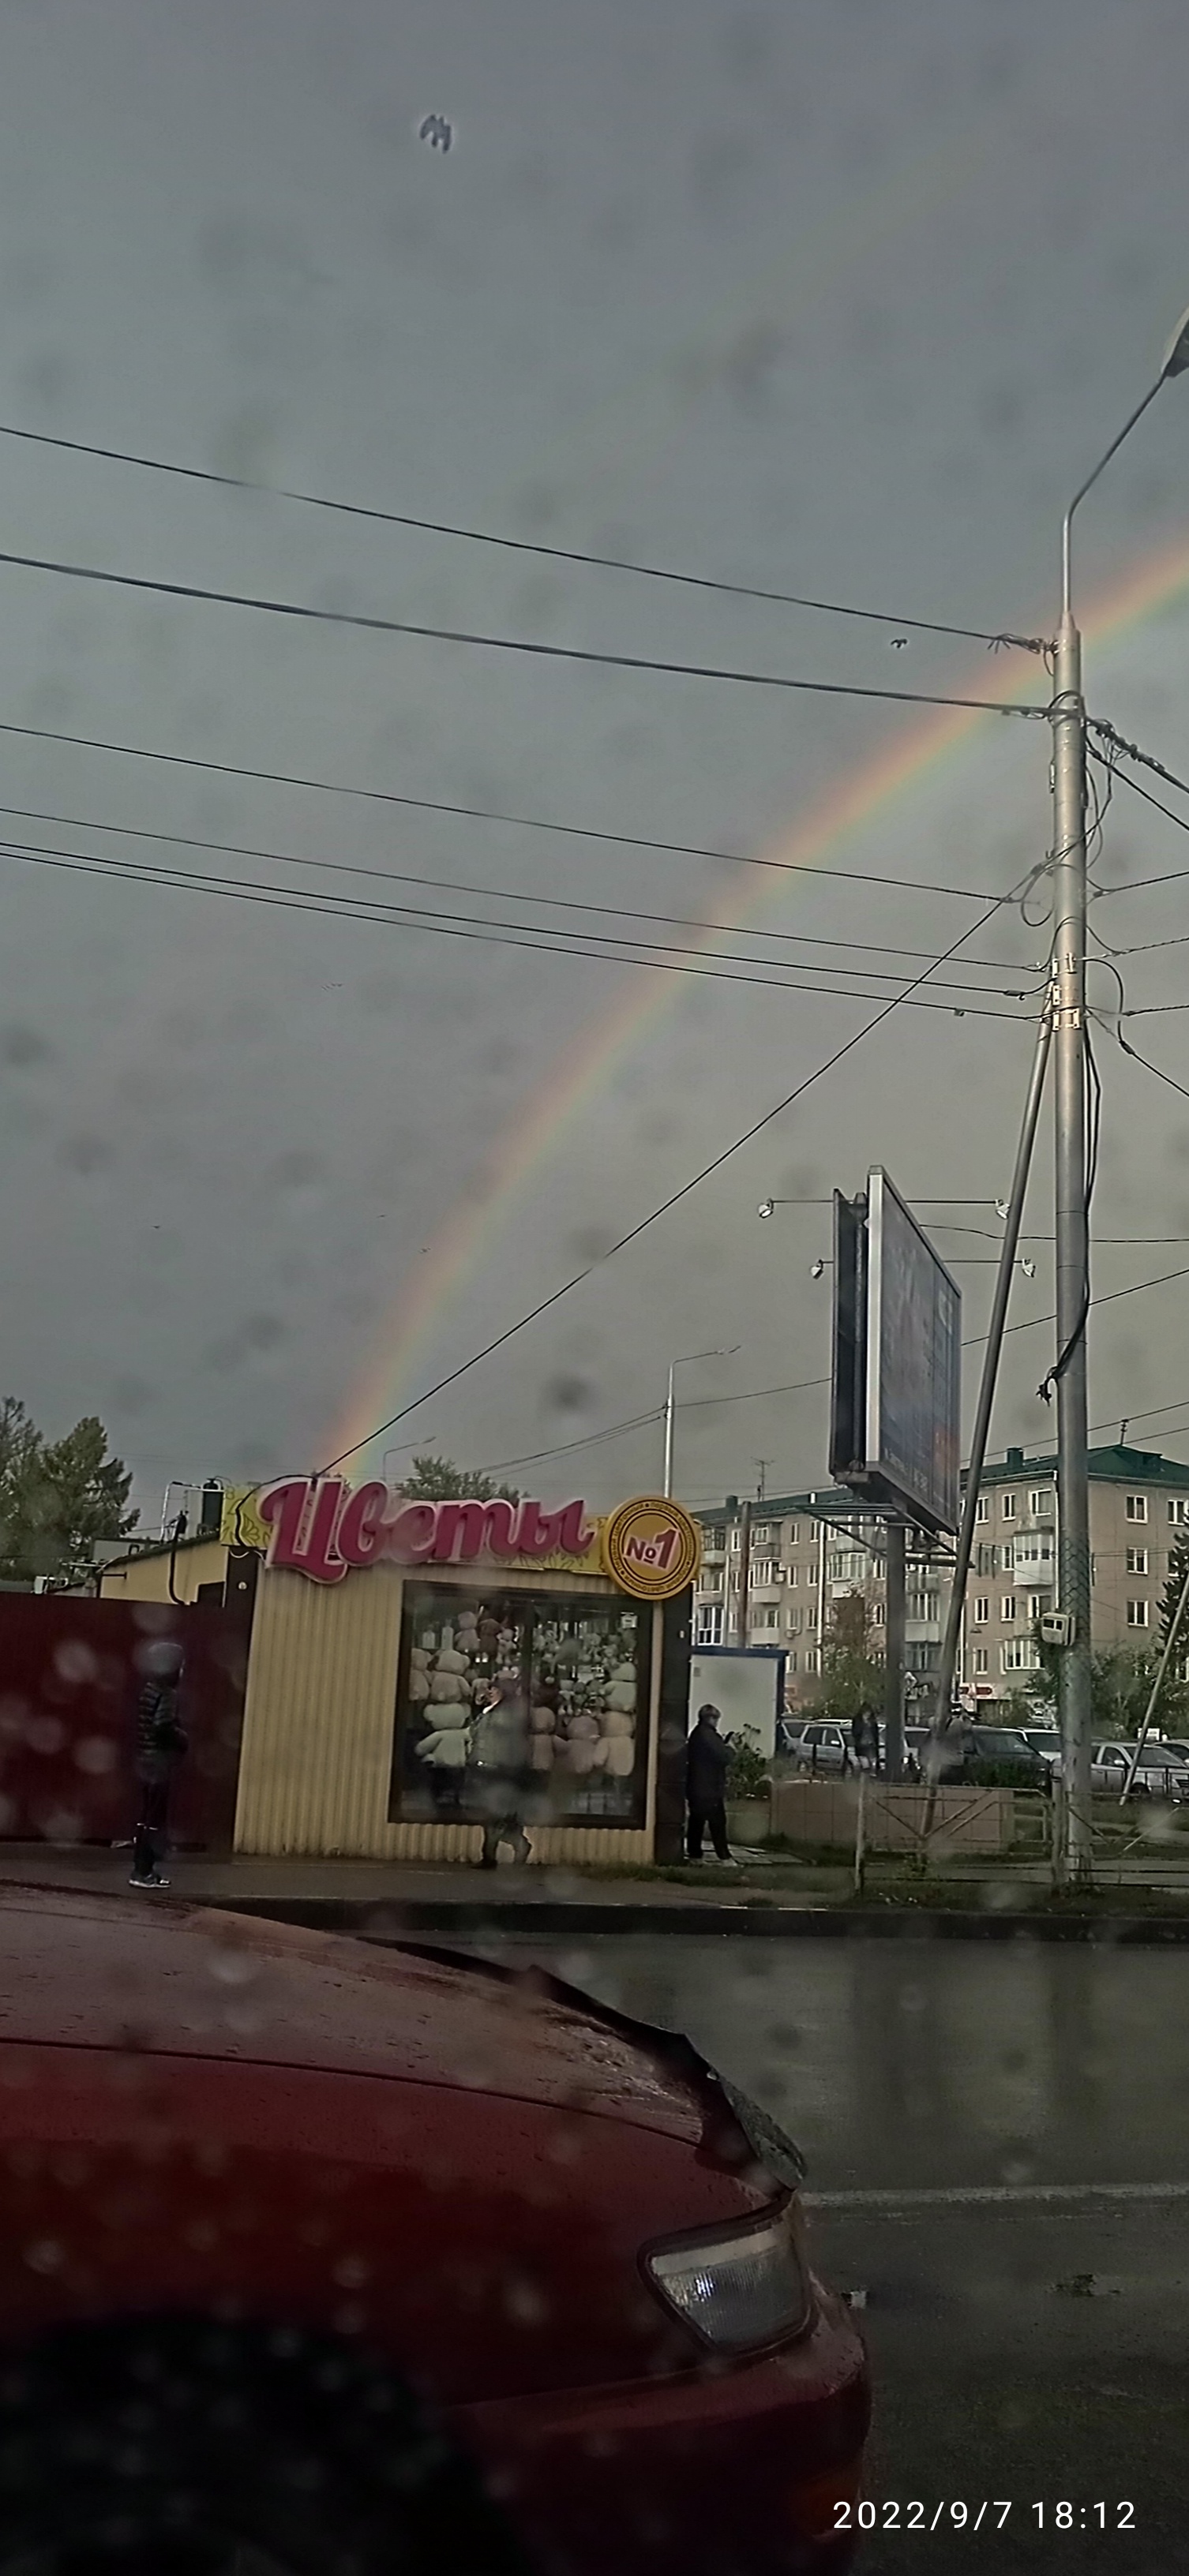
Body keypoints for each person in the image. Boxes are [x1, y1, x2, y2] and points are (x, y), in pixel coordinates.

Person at [129, 1644, 188, 1890]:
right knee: (154, 1819)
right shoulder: (168, 1693)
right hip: (159, 1762)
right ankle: (144, 1872)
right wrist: (183, 1738)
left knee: (145, 1818)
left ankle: (140, 1869)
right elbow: (162, 1725)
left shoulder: (149, 1690)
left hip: (145, 1760)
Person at [470, 1669, 532, 1868]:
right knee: (491, 1816)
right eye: (490, 1689)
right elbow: (475, 1733)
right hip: (487, 1768)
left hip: (501, 1770)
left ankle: (510, 1849)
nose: (490, 1692)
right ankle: (493, 1855)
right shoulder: (493, 1712)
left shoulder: (507, 1713)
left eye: (494, 1689)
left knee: (495, 1816)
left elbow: (501, 1734)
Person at [685, 1703, 736, 1864]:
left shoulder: (697, 1733)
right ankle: (724, 1857)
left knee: (697, 1822)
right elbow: (723, 1757)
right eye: (716, 1718)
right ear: (711, 1718)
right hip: (710, 1787)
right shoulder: (709, 1735)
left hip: (696, 1786)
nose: (717, 1722)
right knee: (718, 1823)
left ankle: (695, 1855)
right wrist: (730, 1748)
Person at [850, 1705, 880, 1772]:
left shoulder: (872, 1722)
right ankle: (865, 1777)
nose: (868, 1714)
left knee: (873, 1764)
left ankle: (870, 1775)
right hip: (862, 1745)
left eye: (869, 1713)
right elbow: (855, 1732)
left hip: (871, 1745)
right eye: (866, 1712)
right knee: (865, 1765)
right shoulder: (858, 1721)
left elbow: (876, 1734)